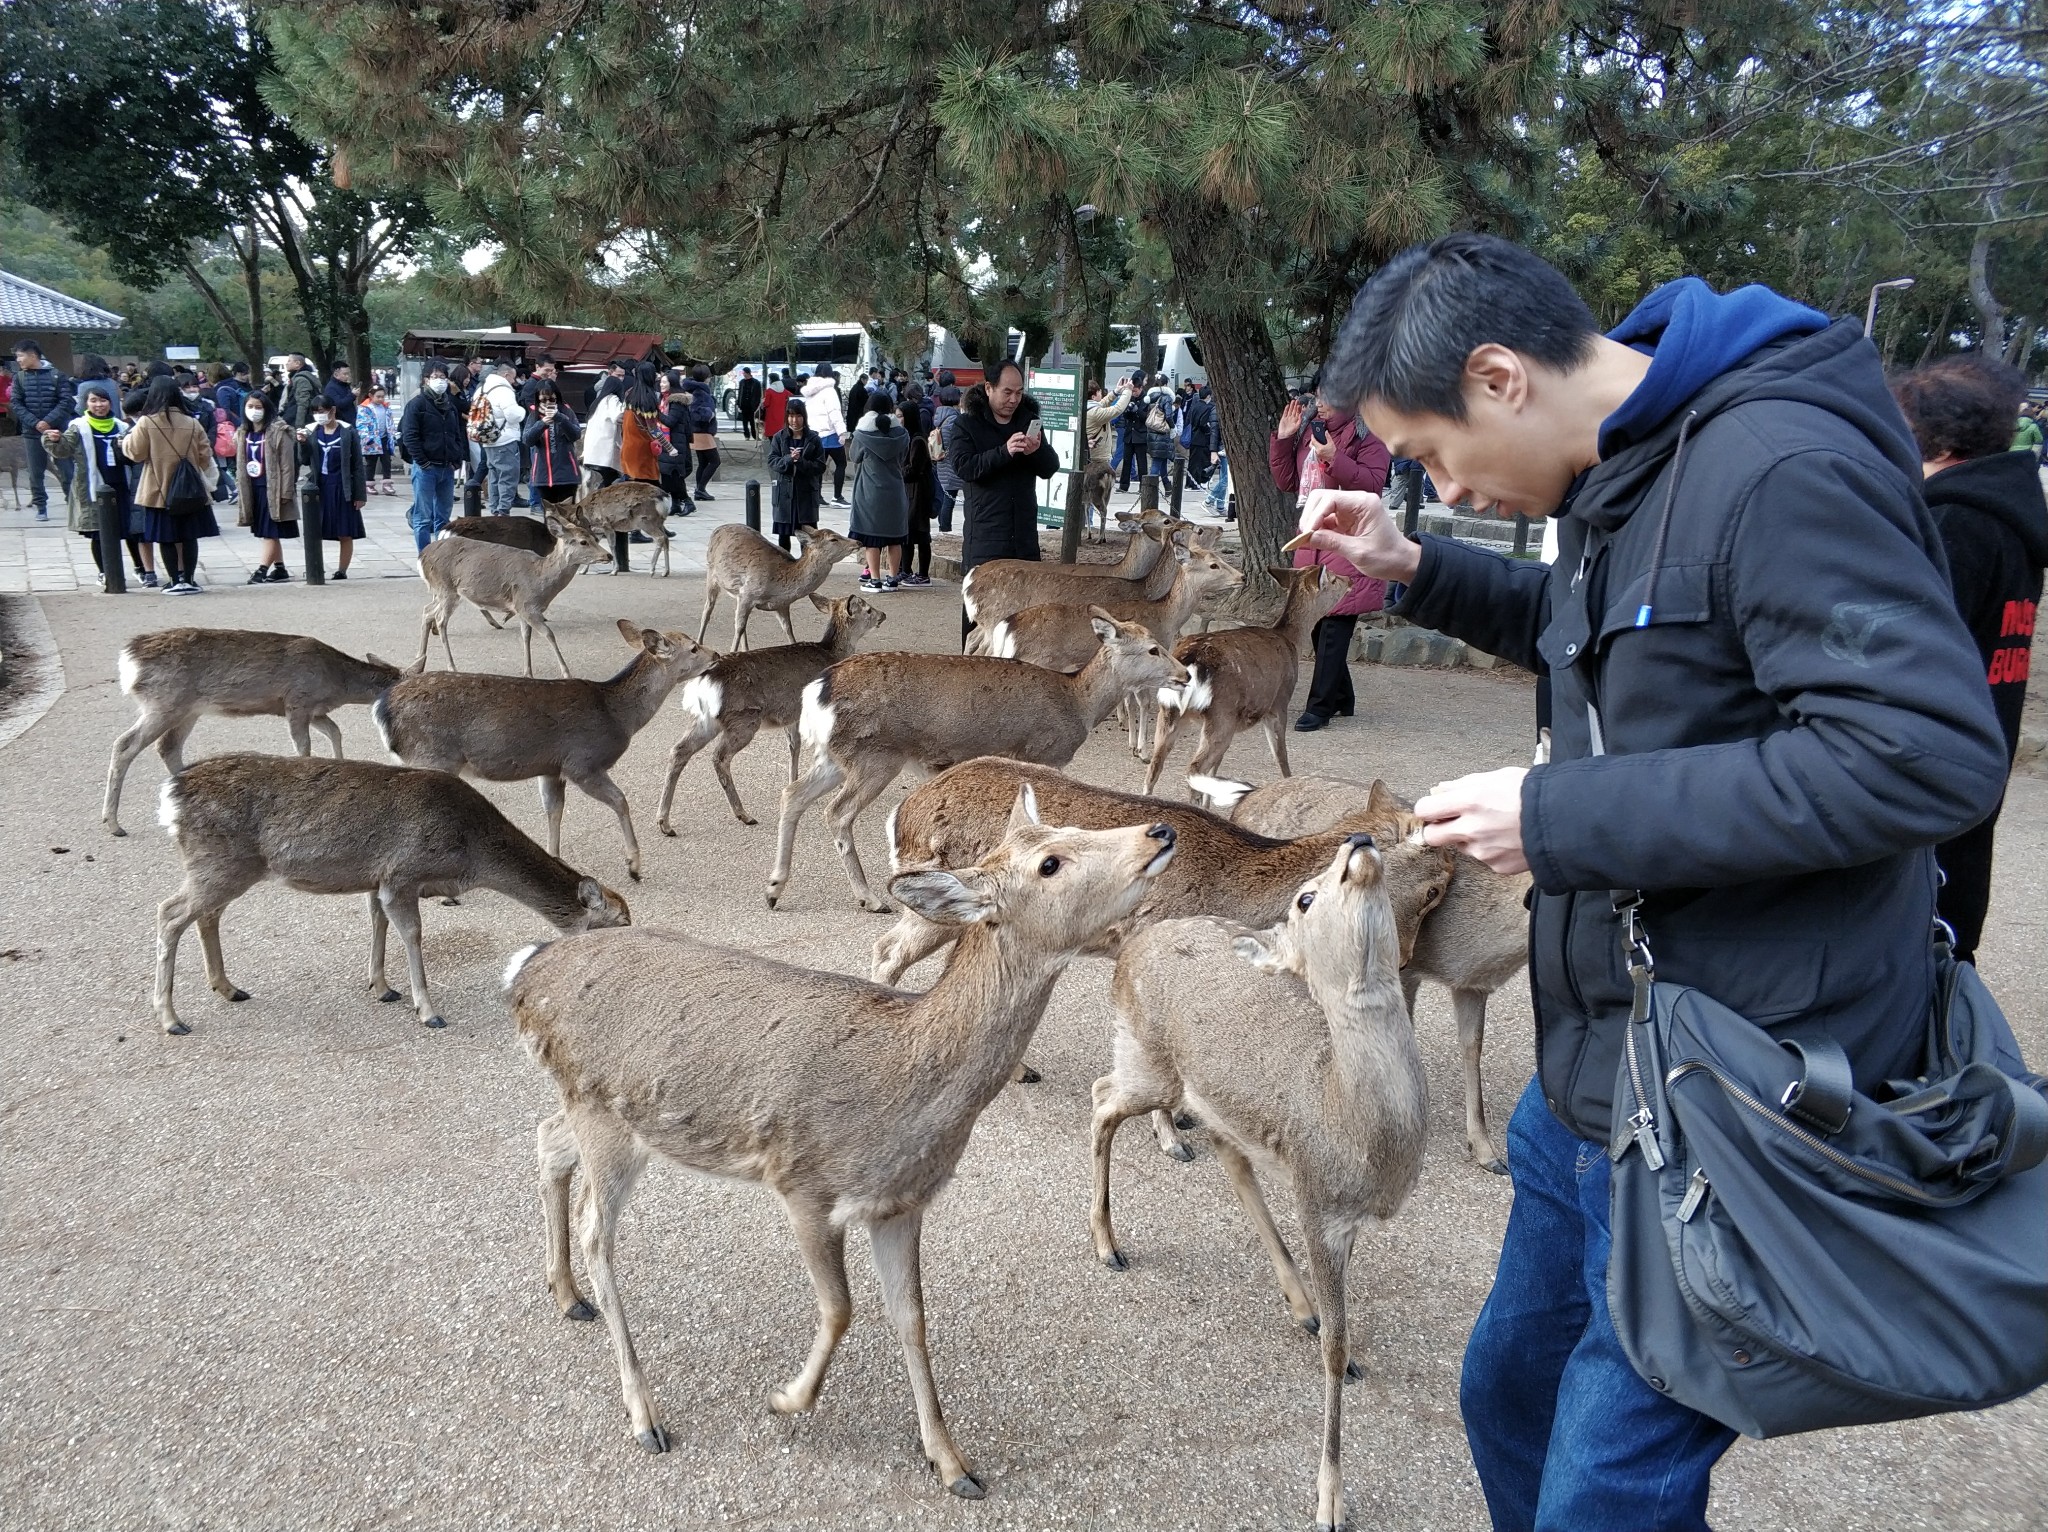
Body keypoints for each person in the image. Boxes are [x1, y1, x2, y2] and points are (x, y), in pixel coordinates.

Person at [1295, 232, 2009, 1531]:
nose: (1443, 479)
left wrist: (1564, 818)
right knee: (1507, 1395)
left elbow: (1924, 757)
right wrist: (1421, 565)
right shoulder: (1626, 466)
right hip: (1596, 1078)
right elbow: (1621, 652)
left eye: (1436, 454)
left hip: (1735, 1090)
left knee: (1604, 1493)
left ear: (1501, 376)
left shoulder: (1779, 467)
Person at [1890, 354, 2048, 964]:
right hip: (1983, 753)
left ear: (1932, 438)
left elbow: (1908, 650)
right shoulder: (2009, 518)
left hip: (1930, 766)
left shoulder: (1952, 525)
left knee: (1925, 936)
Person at [1270, 375, 1393, 731]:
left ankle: (1320, 707)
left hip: (1348, 540)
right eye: (1318, 396)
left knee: (1334, 627)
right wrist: (1283, 440)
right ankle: (1343, 697)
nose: (1319, 403)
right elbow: (1287, 482)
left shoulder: (1368, 436)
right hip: (1311, 540)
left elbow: (1371, 484)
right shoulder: (1311, 430)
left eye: (1328, 397)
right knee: (1315, 624)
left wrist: (1335, 459)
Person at [949, 360, 1060, 640]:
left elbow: (1050, 468)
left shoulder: (1027, 420)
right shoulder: (966, 424)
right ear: (989, 388)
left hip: (1023, 537)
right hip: (985, 537)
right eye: (1007, 392)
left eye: (1019, 393)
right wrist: (1004, 451)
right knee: (979, 621)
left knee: (1023, 620)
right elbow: (964, 467)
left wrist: (1036, 451)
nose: (1013, 400)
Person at [123, 375, 220, 594]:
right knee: (189, 536)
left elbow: (135, 453)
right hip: (190, 489)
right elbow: (205, 456)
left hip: (158, 489)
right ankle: (189, 579)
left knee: (166, 537)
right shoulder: (192, 423)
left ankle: (174, 580)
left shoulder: (147, 422)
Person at [46, 384, 139, 590]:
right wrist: (53, 440)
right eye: (93, 401)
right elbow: (63, 450)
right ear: (85, 404)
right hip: (93, 487)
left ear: (110, 402)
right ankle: (104, 571)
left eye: (103, 400)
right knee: (99, 532)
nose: (99, 405)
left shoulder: (121, 426)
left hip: (122, 484)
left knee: (131, 530)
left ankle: (141, 568)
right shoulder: (78, 426)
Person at [400, 361, 466, 551]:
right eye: (435, 377)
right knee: (423, 517)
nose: (440, 381)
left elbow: (456, 434)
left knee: (443, 517)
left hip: (447, 467)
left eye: (443, 377)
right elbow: (410, 436)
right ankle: (424, 555)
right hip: (426, 468)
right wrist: (423, 461)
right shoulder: (417, 405)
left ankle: (441, 555)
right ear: (426, 379)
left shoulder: (450, 406)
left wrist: (456, 458)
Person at [849, 392, 912, 591]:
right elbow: (903, 459)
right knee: (895, 539)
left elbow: (854, 457)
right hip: (895, 491)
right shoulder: (901, 434)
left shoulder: (862, 434)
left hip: (870, 493)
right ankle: (892, 579)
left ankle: (875, 579)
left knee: (872, 540)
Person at [235, 391, 299, 582]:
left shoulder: (279, 431)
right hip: (253, 487)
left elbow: (288, 464)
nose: (254, 411)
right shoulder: (243, 432)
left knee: (270, 531)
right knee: (267, 532)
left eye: (258, 407)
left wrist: (286, 491)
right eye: (250, 406)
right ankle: (280, 568)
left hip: (273, 487)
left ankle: (261, 570)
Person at [302, 393, 367, 578]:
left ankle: (342, 570)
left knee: (344, 532)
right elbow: (304, 459)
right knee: (315, 531)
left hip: (341, 486)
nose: (319, 415)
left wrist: (360, 495)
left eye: (322, 411)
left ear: (333, 410)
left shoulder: (348, 432)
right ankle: (315, 566)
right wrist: (302, 444)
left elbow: (357, 465)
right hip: (319, 487)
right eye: (315, 411)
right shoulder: (312, 432)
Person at [12, 341, 76, 518]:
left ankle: (72, 502)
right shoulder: (19, 378)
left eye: (20, 356)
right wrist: (35, 423)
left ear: (33, 355)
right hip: (32, 433)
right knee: (35, 471)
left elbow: (66, 402)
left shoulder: (57, 376)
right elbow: (16, 403)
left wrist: (48, 422)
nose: (18, 360)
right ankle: (41, 506)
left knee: (66, 469)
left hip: (57, 432)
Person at [768, 398, 827, 549]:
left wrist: (800, 462)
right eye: (791, 416)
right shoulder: (779, 437)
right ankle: (785, 568)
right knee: (783, 536)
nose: (794, 420)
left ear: (804, 417)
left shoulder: (813, 439)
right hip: (785, 494)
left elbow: (820, 466)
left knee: (806, 537)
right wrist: (788, 459)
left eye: (798, 416)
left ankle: (805, 569)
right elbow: (773, 461)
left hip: (806, 494)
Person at [472, 361, 527, 516]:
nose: (514, 381)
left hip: (487, 439)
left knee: (494, 476)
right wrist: (522, 411)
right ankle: (503, 511)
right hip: (504, 439)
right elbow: (513, 415)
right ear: (506, 374)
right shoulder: (503, 390)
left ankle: (495, 509)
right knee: (508, 476)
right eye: (513, 377)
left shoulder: (481, 389)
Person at [521, 383, 583, 510]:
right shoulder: (534, 415)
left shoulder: (566, 412)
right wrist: (542, 424)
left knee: (567, 514)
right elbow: (527, 440)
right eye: (543, 400)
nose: (548, 403)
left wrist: (560, 418)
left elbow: (576, 435)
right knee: (549, 516)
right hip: (543, 476)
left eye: (552, 399)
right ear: (538, 400)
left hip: (567, 475)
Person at [1082, 379, 1126, 542]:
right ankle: (1100, 532)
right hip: (1100, 461)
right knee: (1100, 502)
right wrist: (1127, 391)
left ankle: (1091, 530)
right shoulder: (1094, 412)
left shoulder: (1087, 408)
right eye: (1100, 392)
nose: (1102, 396)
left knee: (1090, 500)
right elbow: (1117, 408)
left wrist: (1117, 391)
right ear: (1094, 394)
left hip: (1096, 465)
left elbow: (1103, 403)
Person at [802, 365, 850, 503]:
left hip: (815, 434)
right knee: (841, 463)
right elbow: (834, 413)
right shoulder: (830, 391)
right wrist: (842, 432)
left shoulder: (810, 392)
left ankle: (817, 495)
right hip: (830, 433)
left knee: (819, 467)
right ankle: (837, 496)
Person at [931, 372, 965, 532]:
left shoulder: (939, 415)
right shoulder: (953, 419)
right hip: (952, 463)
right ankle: (945, 528)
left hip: (942, 462)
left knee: (947, 496)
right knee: (949, 499)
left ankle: (944, 526)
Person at [582, 372, 627, 488]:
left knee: (605, 480)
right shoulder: (612, 399)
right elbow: (618, 416)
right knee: (611, 478)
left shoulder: (598, 402)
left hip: (592, 451)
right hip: (604, 452)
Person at [683, 364, 721, 499]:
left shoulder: (694, 389)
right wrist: (709, 414)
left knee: (704, 462)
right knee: (714, 461)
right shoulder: (701, 391)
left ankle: (700, 489)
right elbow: (696, 411)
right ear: (706, 377)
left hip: (698, 431)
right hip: (702, 431)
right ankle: (700, 488)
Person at [358, 384, 397, 495]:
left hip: (384, 439)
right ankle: (369, 483)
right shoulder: (364, 408)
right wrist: (366, 437)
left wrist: (392, 433)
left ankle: (387, 483)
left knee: (386, 461)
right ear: (371, 396)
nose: (380, 399)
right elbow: (361, 424)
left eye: (382, 397)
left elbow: (390, 422)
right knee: (371, 463)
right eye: (378, 396)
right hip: (371, 440)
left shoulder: (386, 408)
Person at [281, 353, 321, 429]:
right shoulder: (301, 377)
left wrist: (299, 425)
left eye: (289, 361)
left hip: (298, 420)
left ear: (297, 363)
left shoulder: (301, 380)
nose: (286, 363)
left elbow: (303, 403)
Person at [736, 366, 763, 441]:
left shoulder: (756, 382)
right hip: (744, 404)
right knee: (744, 422)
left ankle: (755, 435)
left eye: (744, 373)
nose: (743, 374)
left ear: (748, 373)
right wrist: (738, 403)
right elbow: (740, 393)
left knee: (752, 422)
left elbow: (758, 394)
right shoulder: (742, 382)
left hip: (752, 405)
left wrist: (757, 404)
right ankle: (746, 435)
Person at [762, 370, 789, 440]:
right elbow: (791, 397)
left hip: (771, 416)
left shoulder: (769, 391)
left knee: (772, 436)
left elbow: (766, 404)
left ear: (771, 380)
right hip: (782, 416)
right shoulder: (784, 391)